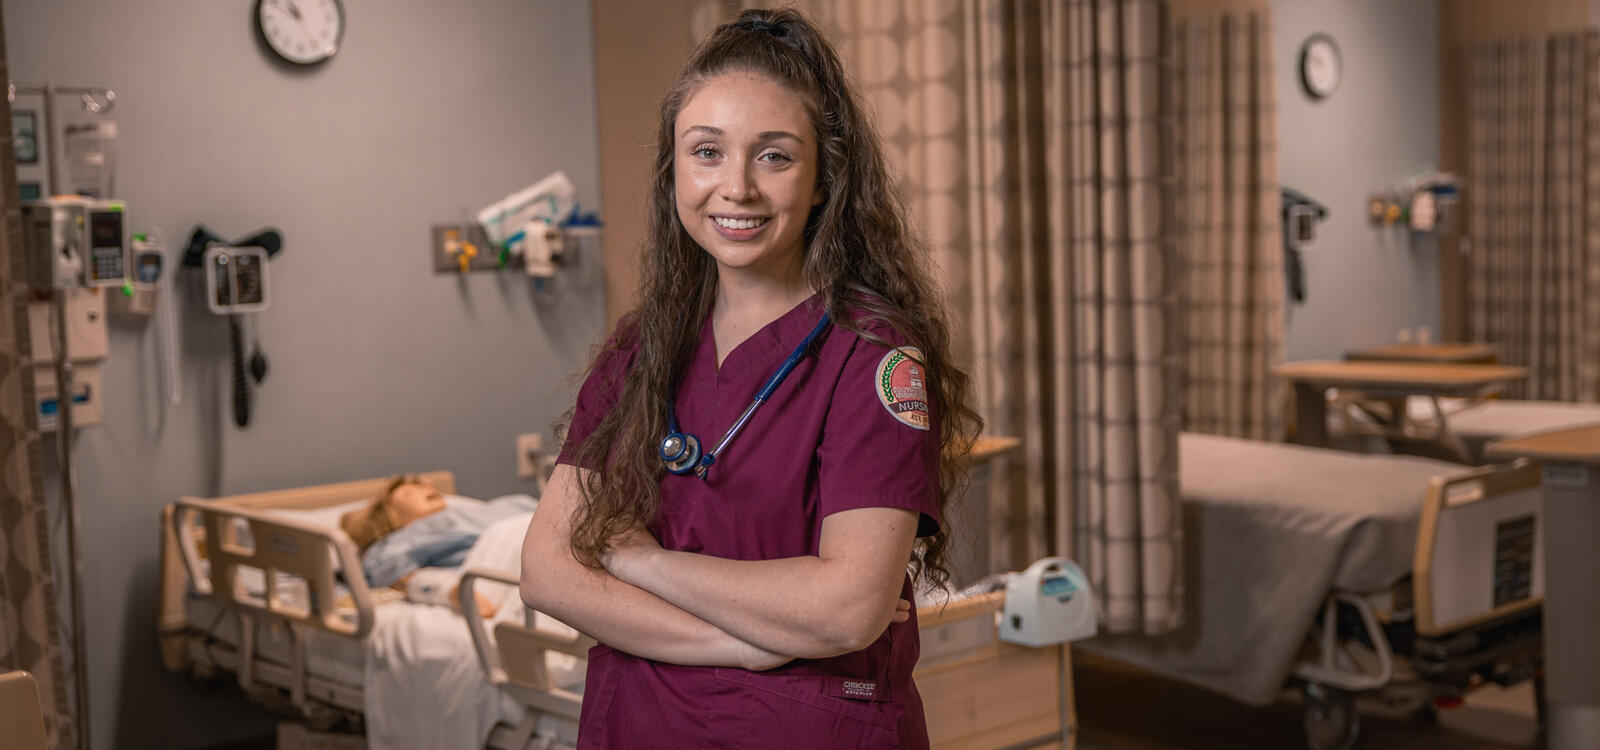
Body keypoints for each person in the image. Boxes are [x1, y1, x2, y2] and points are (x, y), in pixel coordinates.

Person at [519, 8, 980, 748]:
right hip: (640, 723)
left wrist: (636, 559)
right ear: (675, 172)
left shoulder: (872, 357)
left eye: (774, 156)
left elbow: (846, 610)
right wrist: (743, 642)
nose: (736, 187)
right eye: (706, 153)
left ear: (826, 177)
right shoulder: (642, 347)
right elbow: (546, 571)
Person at [341, 475, 535, 617]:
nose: (428, 487)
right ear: (390, 517)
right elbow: (395, 574)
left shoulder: (498, 506)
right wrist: (450, 592)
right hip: (518, 547)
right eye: (409, 492)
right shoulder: (400, 540)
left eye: (426, 486)